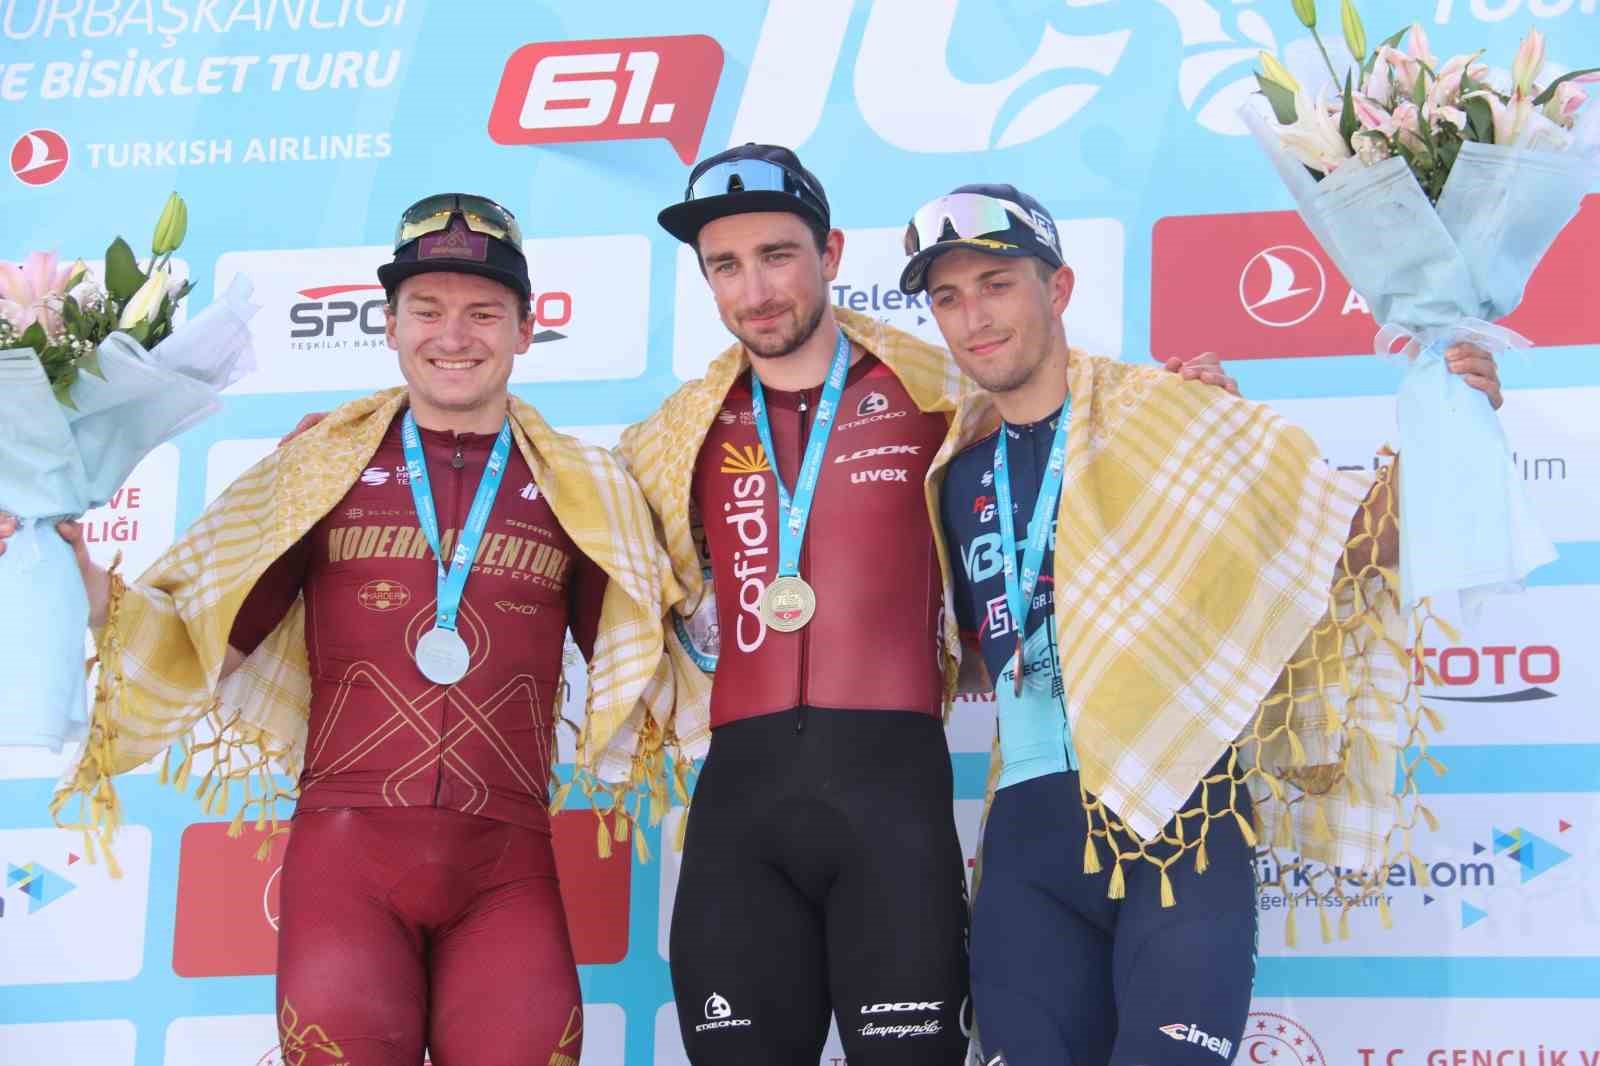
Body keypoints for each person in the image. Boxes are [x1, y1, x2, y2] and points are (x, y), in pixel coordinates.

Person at [1, 193, 676, 1066]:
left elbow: (652, 660)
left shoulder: (589, 490)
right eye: (426, 310)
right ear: (388, 325)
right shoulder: (316, 467)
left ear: (527, 326)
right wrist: (81, 580)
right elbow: (202, 642)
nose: (453, 335)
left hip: (508, 874)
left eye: (483, 312)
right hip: (345, 875)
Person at [616, 146, 1238, 1066]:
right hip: (737, 815)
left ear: (830, 253)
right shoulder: (670, 436)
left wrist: (1193, 413)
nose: (755, 289)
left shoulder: (944, 391)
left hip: (895, 807)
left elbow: (1075, 430)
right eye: (725, 265)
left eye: (778, 255)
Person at [900, 183, 1503, 1065]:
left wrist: (1455, 422)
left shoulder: (1171, 415)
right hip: (1028, 840)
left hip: (1182, 820)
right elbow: (971, 654)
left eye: (996, 284)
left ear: (1057, 288)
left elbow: (1352, 545)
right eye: (948, 298)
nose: (974, 318)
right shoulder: (954, 469)